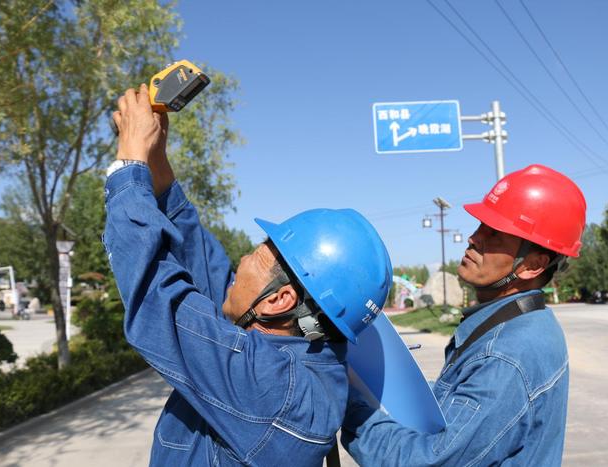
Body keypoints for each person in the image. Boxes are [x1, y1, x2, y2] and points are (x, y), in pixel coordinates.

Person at [104, 85, 392, 466]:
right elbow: (203, 269)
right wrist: (156, 163)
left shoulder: (273, 387)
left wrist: (129, 167)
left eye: (254, 257)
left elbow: (159, 301)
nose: (239, 260)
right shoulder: (294, 351)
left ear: (279, 300)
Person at [343, 164, 586, 466]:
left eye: (495, 234)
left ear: (533, 265)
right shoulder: (526, 322)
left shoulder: (505, 355)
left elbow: (430, 461)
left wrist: (353, 406)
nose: (474, 238)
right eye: (481, 225)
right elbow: (457, 406)